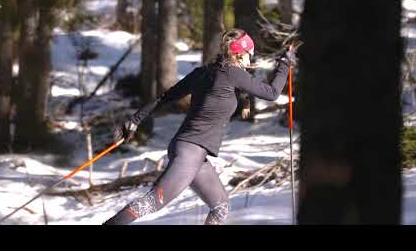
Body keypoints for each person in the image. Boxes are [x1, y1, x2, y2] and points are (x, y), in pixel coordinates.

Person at [103, 29, 297, 225]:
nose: (250, 59)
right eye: (250, 54)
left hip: (192, 151)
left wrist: (135, 119)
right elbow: (272, 93)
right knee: (153, 201)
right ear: (240, 54)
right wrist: (284, 63)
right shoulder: (234, 73)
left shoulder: (204, 73)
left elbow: (166, 97)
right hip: (191, 152)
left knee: (220, 206)